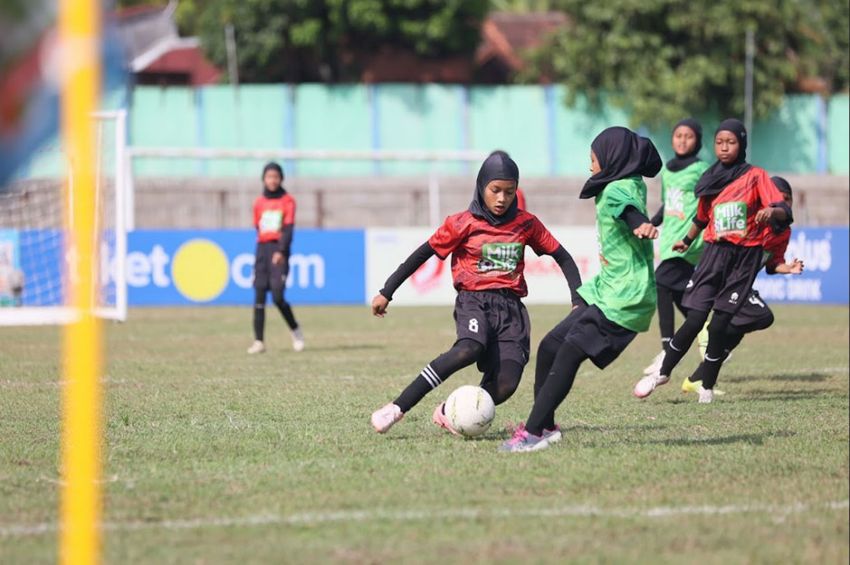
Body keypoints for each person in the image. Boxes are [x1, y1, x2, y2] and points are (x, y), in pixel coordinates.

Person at [369, 152, 583, 435]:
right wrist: (388, 291)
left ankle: (453, 411)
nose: (501, 198)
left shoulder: (527, 224)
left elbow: (564, 257)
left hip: (512, 311)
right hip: (474, 301)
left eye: (509, 192)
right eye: (495, 190)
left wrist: (578, 300)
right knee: (469, 348)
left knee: (507, 383)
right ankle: (397, 407)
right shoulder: (462, 223)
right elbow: (421, 254)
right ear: (481, 186)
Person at [500, 126, 662, 453]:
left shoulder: (618, 188)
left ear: (613, 159)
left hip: (624, 295)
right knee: (550, 346)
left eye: (593, 159)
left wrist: (639, 223)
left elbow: (628, 211)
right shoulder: (628, 182)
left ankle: (533, 433)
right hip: (606, 288)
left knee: (570, 351)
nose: (590, 166)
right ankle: (543, 424)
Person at [634, 119, 792, 403]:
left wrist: (772, 213)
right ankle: (663, 372)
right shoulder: (711, 177)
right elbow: (702, 216)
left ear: (741, 144)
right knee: (695, 318)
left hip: (743, 258)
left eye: (730, 142)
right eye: (720, 142)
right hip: (712, 254)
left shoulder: (756, 176)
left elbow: (780, 207)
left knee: (719, 325)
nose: (724, 147)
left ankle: (705, 384)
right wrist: (687, 239)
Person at [682, 176, 803, 392]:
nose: (782, 203)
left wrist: (788, 268)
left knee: (735, 334)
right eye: (778, 198)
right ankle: (710, 331)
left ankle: (696, 379)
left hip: (741, 284)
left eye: (787, 199)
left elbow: (772, 264)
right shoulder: (753, 219)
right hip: (726, 280)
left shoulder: (784, 232)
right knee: (762, 316)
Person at [643, 119, 710, 376]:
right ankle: (706, 331)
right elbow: (668, 204)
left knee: (660, 283)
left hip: (689, 241)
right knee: (681, 296)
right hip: (669, 239)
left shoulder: (701, 169)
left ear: (698, 141)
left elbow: (708, 203)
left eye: (689, 136)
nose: (682, 140)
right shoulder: (668, 170)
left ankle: (668, 349)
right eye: (678, 135)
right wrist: (649, 224)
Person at [247, 162, 305, 354]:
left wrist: (281, 250)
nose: (272, 180)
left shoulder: (287, 201)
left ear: (281, 179)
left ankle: (295, 330)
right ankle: (259, 341)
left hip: (278, 249)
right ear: (263, 179)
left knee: (278, 296)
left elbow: (288, 229)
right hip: (262, 250)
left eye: (276, 177)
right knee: (259, 294)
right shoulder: (259, 203)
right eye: (269, 176)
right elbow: (258, 228)